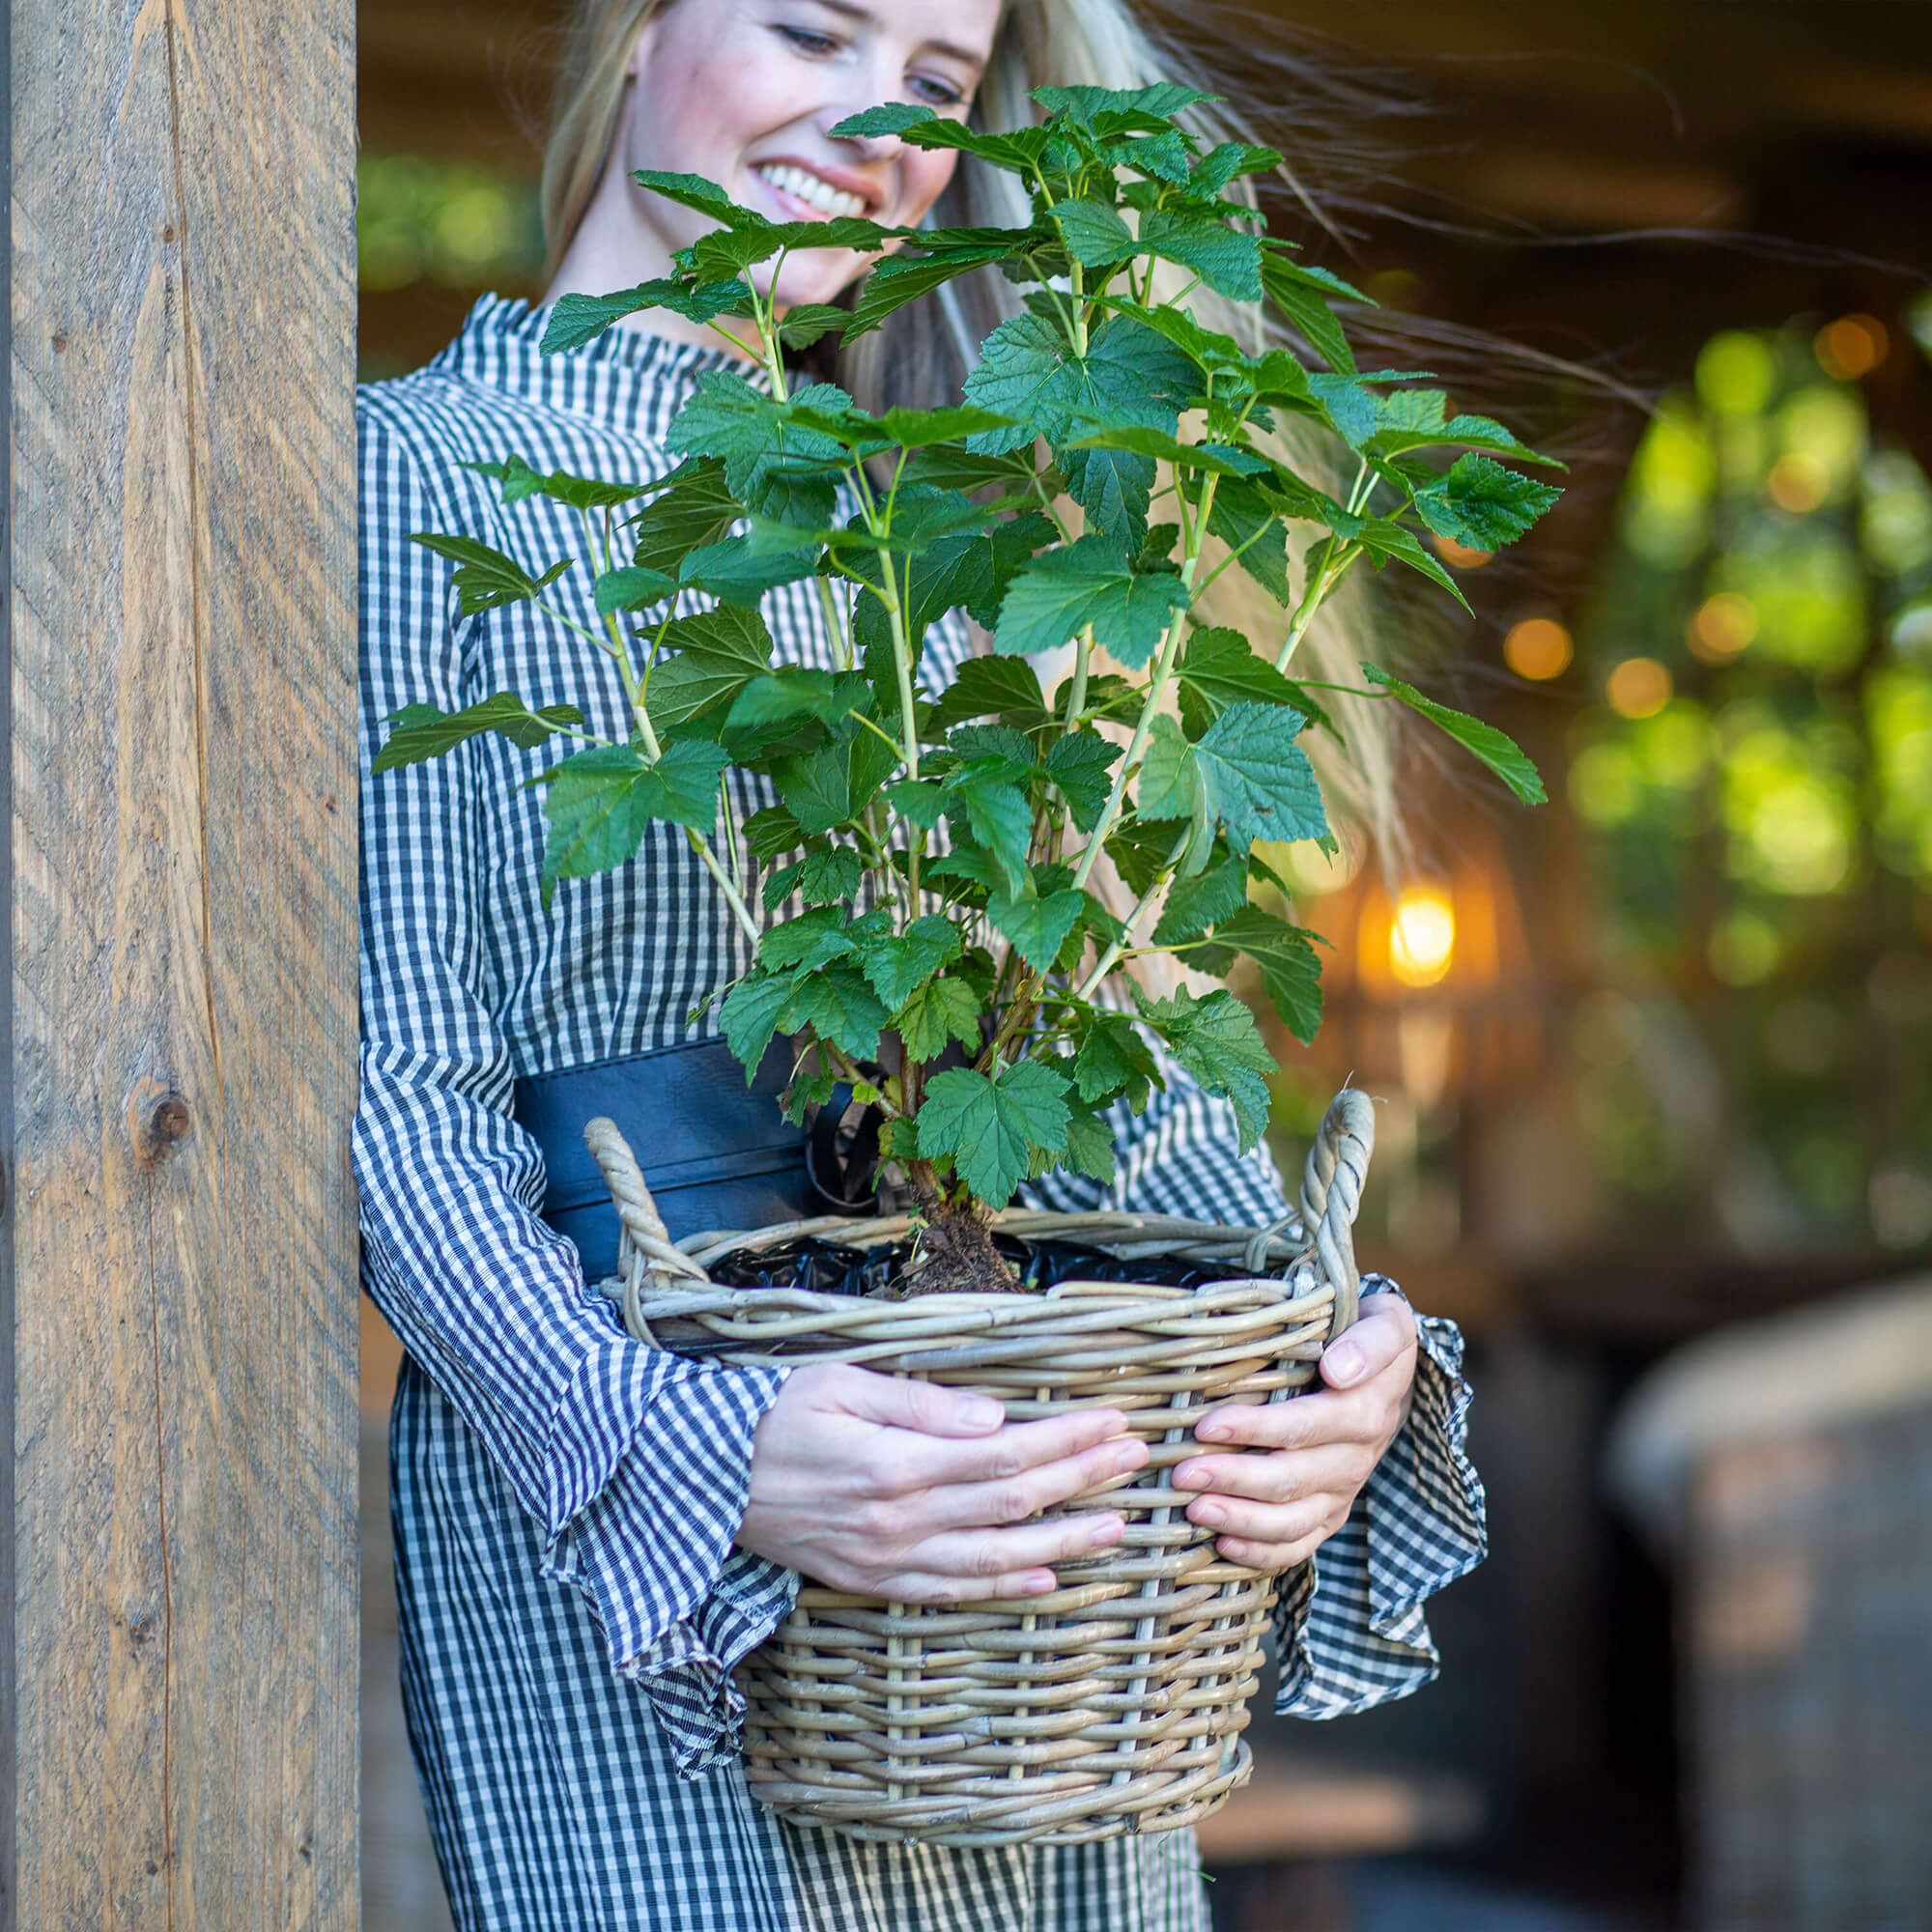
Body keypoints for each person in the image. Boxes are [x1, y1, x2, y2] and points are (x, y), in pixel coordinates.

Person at [356, 3, 1486, 1926]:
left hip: (1014, 1529)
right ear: (638, 31)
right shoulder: (403, 477)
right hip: (648, 1523)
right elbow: (399, 1094)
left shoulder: (934, 544)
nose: (881, 122)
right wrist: (699, 1453)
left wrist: (1322, 1350)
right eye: (811, 24)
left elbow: (1085, 1046)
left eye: (947, 87)